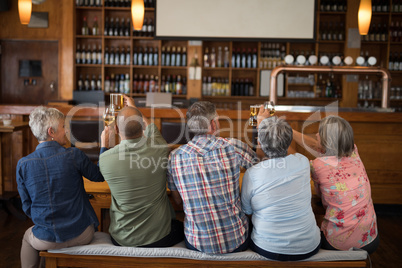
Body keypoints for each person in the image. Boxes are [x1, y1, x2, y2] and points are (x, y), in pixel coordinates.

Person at [17, 106, 105, 268]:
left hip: (46, 239)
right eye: (63, 127)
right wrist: (105, 146)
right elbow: (99, 175)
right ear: (51, 132)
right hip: (82, 234)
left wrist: (45, 220)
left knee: (27, 238)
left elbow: (27, 207)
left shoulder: (23, 165)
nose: (66, 131)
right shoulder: (73, 155)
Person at [167, 101, 257, 254]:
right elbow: (262, 170)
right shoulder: (233, 147)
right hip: (237, 240)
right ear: (214, 124)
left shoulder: (174, 157)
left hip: (197, 242)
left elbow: (177, 200)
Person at [99, 96, 183, 247]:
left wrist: (103, 146)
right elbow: (151, 128)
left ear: (116, 129)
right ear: (142, 129)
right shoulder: (160, 147)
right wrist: (136, 109)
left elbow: (101, 166)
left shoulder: (105, 159)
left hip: (122, 238)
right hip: (160, 237)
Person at [241, 110, 321, 261]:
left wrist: (261, 124)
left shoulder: (252, 173)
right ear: (289, 140)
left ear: (259, 142)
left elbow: (247, 210)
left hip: (268, 248)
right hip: (308, 247)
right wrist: (273, 127)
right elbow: (283, 152)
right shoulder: (302, 162)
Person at [293, 115, 379, 254]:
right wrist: (289, 131)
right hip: (370, 238)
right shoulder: (353, 152)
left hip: (337, 243)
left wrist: (284, 133)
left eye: (320, 133)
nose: (316, 134)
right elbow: (317, 145)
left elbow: (295, 161)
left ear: (328, 141)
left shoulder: (318, 166)